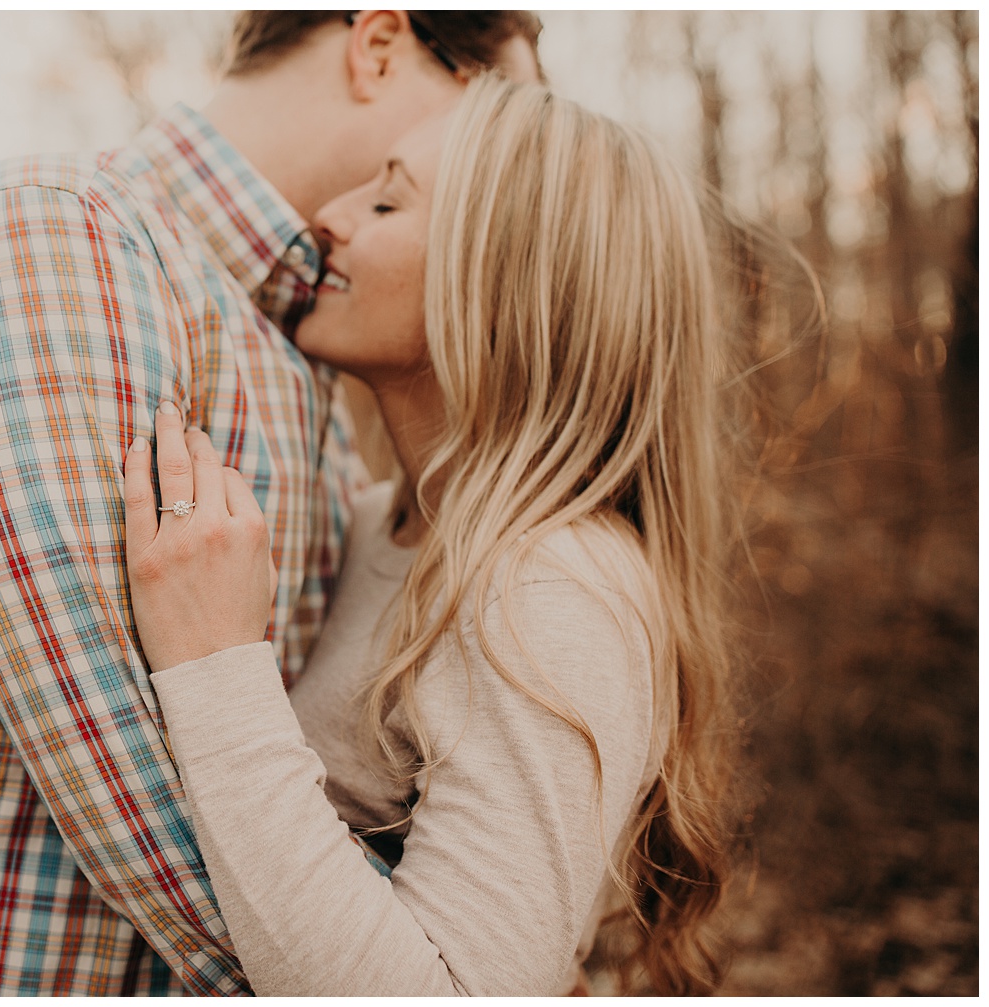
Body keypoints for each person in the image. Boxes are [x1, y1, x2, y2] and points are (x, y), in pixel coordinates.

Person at [0, 12, 543, 997]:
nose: (510, 167)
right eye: (493, 114)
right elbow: (137, 784)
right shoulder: (53, 236)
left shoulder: (301, 355)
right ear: (378, 45)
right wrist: (430, 971)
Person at [122, 75, 749, 995]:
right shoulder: (378, 518)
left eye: (386, 199)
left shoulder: (553, 583)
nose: (328, 217)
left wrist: (214, 664)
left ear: (501, 275)